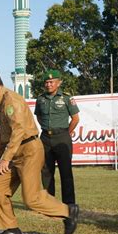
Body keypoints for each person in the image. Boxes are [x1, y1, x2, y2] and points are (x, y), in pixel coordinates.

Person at [0, 66, 79, 234]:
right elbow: (4, 135)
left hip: (29, 150)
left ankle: (69, 212)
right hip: (14, 152)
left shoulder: (11, 100)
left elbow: (18, 131)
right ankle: (11, 229)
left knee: (31, 198)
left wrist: (5, 159)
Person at [34, 70, 80, 204]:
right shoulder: (40, 99)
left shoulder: (67, 98)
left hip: (62, 137)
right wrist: (46, 129)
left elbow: (75, 119)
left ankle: (69, 203)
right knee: (46, 171)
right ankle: (49, 202)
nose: (48, 84)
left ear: (59, 83)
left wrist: (66, 132)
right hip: (45, 138)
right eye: (46, 82)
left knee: (65, 172)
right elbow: (38, 116)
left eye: (51, 82)